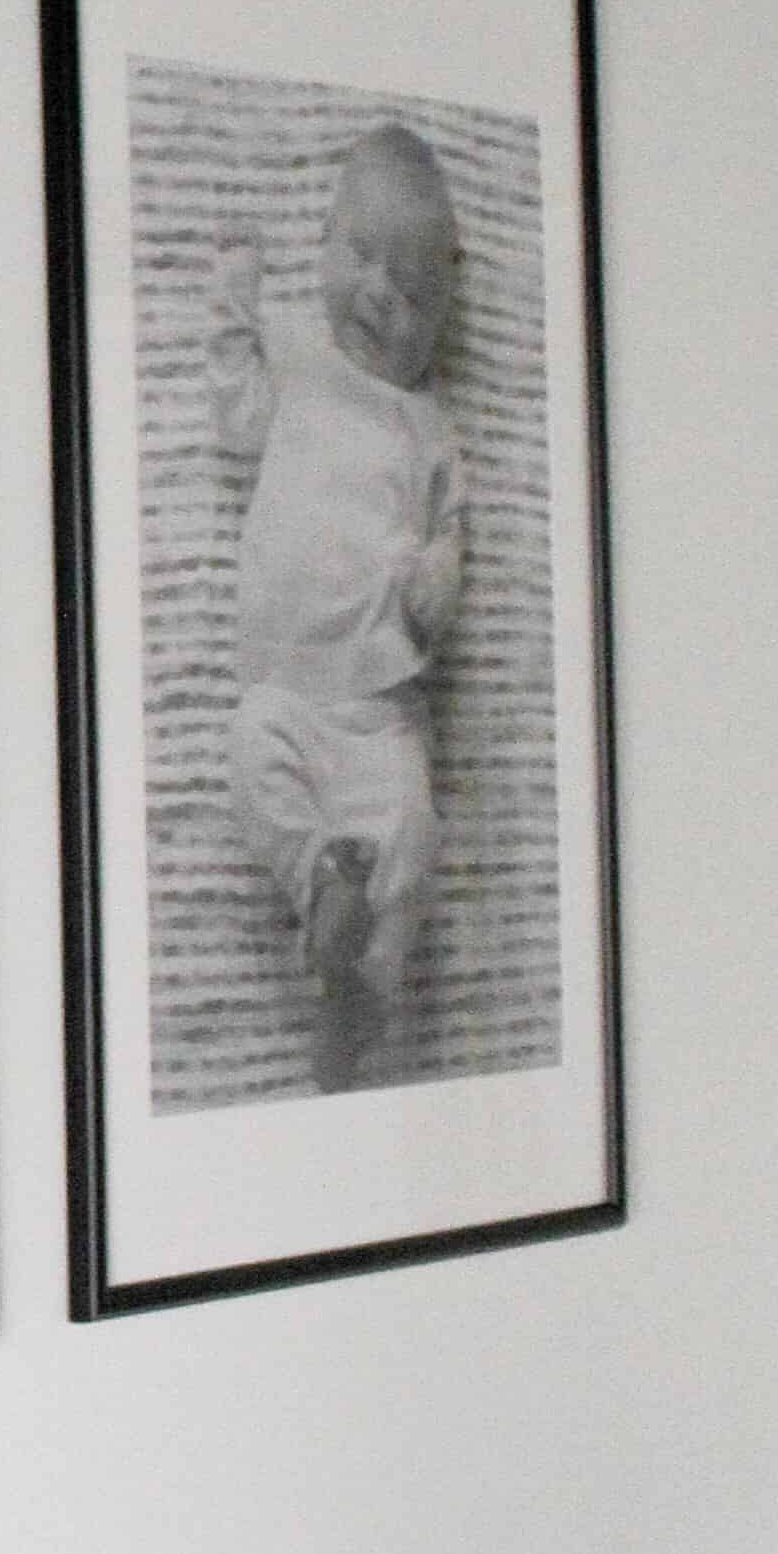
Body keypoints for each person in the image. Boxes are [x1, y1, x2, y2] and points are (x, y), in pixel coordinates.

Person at [210, 120, 466, 1093]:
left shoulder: (429, 425)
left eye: (410, 291)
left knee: (413, 823)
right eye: (360, 254)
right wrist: (232, 310)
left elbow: (449, 540)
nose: (376, 294)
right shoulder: (296, 359)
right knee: (248, 745)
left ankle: (363, 990)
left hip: (380, 716)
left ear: (439, 320)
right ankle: (319, 878)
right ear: (322, 242)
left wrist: (437, 574)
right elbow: (234, 426)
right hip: (287, 693)